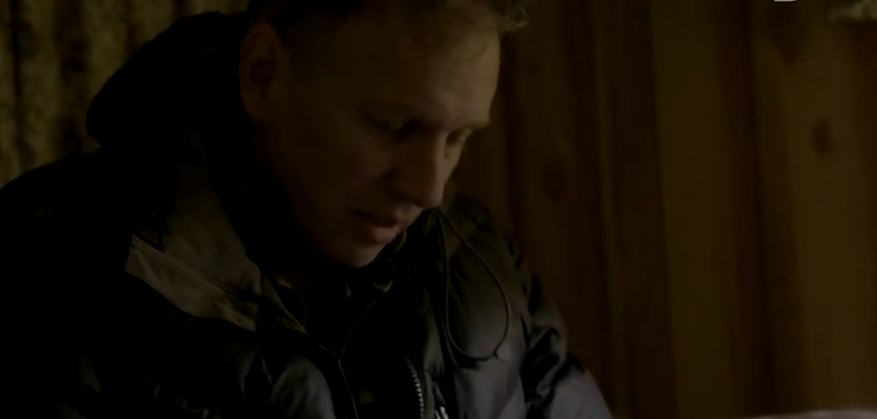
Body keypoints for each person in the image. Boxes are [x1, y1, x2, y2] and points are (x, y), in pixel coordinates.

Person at [0, 0, 612, 418]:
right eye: (393, 126)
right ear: (263, 76)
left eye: (458, 138)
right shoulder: (46, 268)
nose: (428, 190)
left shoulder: (481, 264)